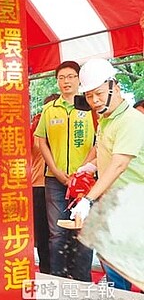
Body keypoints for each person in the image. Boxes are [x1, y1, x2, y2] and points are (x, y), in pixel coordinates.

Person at [70, 58, 144, 290]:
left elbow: (119, 164)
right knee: (114, 264)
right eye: (90, 96)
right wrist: (91, 166)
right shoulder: (106, 121)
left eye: (99, 94)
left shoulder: (131, 120)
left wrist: (88, 199)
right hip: (114, 202)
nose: (95, 101)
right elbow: (106, 153)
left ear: (115, 85)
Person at [34, 61, 96, 282]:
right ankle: (57, 279)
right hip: (54, 180)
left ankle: (82, 281)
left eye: (70, 76)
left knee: (83, 231)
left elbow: (99, 141)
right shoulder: (49, 109)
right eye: (61, 78)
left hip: (86, 182)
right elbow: (42, 141)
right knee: (57, 232)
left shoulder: (90, 106)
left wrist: (81, 172)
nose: (66, 81)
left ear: (79, 80)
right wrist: (56, 171)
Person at [31, 93, 59, 275]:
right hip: (39, 186)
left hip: (62, 185)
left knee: (60, 233)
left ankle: (62, 271)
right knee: (43, 233)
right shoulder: (35, 130)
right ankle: (47, 271)